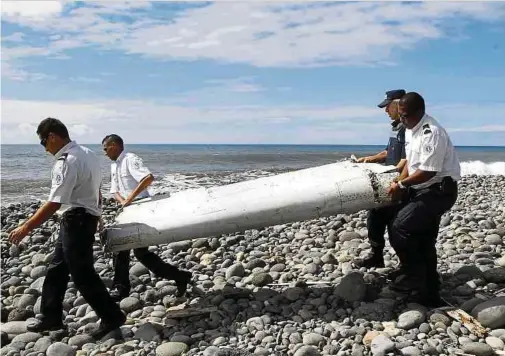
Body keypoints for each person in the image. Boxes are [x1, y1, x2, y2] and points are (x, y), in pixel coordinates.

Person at [8, 118, 125, 339]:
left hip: (77, 220)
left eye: (44, 143)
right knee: (57, 268)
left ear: (52, 137)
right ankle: (50, 316)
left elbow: (54, 202)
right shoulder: (88, 154)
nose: (45, 149)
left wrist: (26, 227)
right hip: (83, 217)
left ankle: (111, 316)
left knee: (82, 274)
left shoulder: (67, 160)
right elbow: (96, 188)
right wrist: (97, 213)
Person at [386, 92, 460, 306]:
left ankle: (412, 275)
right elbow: (411, 161)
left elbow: (428, 171)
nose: (402, 120)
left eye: (406, 116)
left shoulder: (431, 132)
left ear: (420, 112)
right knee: (424, 239)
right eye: (400, 116)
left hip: (438, 191)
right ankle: (429, 292)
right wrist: (399, 182)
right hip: (422, 189)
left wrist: (401, 184)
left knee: (400, 227)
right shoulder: (411, 129)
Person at [102, 134, 192, 301]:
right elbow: (114, 190)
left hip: (141, 207)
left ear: (114, 145)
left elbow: (147, 178)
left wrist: (130, 199)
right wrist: (123, 202)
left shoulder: (130, 159)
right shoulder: (114, 166)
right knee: (136, 253)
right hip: (128, 210)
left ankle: (121, 289)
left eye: (106, 149)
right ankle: (180, 276)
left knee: (128, 249)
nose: (105, 153)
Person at [354, 89, 408, 274]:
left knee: (396, 226)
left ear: (398, 105)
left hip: (398, 182)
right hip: (388, 178)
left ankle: (405, 265)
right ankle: (376, 256)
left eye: (388, 107)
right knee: (374, 218)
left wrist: (396, 179)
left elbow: (407, 159)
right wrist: (369, 158)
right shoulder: (396, 127)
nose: (386, 111)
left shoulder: (409, 128)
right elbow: (388, 152)